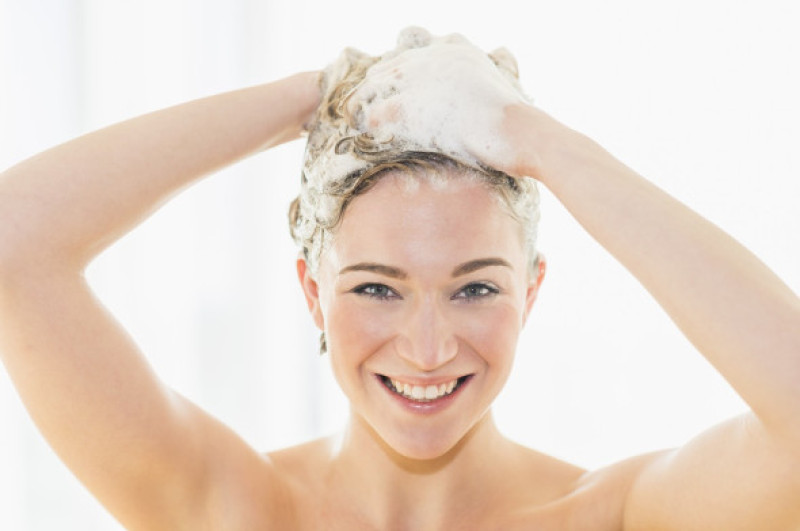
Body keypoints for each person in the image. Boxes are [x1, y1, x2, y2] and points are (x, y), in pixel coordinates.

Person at [0, 26, 798, 530]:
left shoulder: (610, 516)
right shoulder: (236, 510)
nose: (426, 348)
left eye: (475, 287)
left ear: (531, 291)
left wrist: (546, 145)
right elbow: (14, 238)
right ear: (313, 292)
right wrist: (317, 99)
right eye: (377, 287)